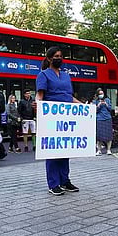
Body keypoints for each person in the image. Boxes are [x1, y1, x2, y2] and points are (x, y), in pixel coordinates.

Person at [36, 46, 81, 196]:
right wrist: (38, 107)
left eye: (61, 56)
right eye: (55, 56)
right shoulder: (43, 75)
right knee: (53, 149)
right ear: (49, 59)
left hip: (67, 117)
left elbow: (69, 97)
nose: (59, 58)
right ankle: (53, 183)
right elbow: (40, 96)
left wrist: (84, 107)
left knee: (64, 148)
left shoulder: (66, 76)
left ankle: (65, 181)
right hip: (52, 117)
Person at [93, 88, 113, 155]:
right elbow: (94, 111)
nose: (101, 95)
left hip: (107, 118)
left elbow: (110, 109)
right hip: (99, 119)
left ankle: (108, 150)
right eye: (100, 94)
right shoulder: (95, 101)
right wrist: (98, 106)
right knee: (99, 136)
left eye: (102, 93)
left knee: (109, 135)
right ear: (98, 95)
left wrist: (106, 104)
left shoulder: (107, 100)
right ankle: (99, 150)